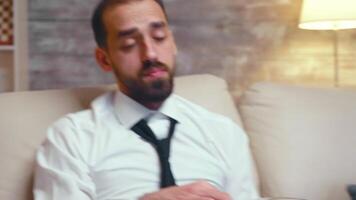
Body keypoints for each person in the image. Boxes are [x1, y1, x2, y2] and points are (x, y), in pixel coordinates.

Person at [33, 0, 260, 199]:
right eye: (129, 44)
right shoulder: (71, 138)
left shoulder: (224, 133)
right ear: (104, 59)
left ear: (173, 43)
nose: (150, 54)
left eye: (159, 37)